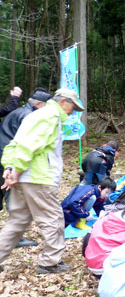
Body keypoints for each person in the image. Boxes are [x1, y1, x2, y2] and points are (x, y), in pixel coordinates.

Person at [0, 88, 83, 275]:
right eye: (73, 107)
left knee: (17, 221)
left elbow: (15, 143)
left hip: (23, 177)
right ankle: (50, 262)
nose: (73, 112)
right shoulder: (50, 117)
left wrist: (9, 168)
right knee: (53, 219)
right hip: (39, 178)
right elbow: (30, 145)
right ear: (63, 102)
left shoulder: (35, 115)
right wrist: (17, 171)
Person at [0, 87, 51, 247]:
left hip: (3, 155)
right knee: (13, 197)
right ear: (39, 104)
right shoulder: (30, 116)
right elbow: (26, 145)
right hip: (8, 160)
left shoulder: (17, 112)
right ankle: (14, 238)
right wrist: (15, 167)